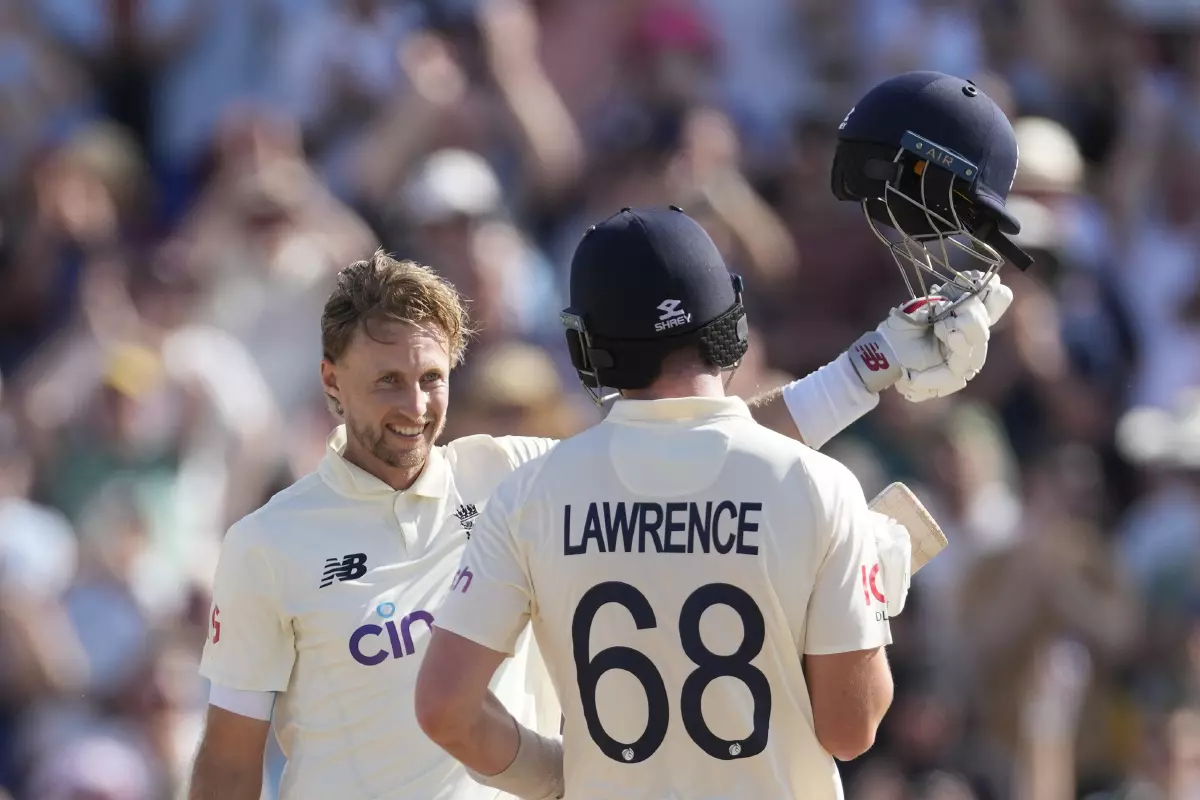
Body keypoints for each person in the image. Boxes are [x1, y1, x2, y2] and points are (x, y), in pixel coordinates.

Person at [190, 78, 1017, 800]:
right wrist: (866, 586)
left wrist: (864, 366)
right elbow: (229, 770)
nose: (414, 405)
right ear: (330, 381)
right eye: (386, 383)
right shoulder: (271, 542)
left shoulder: (515, 483)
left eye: (433, 378)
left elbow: (697, 447)